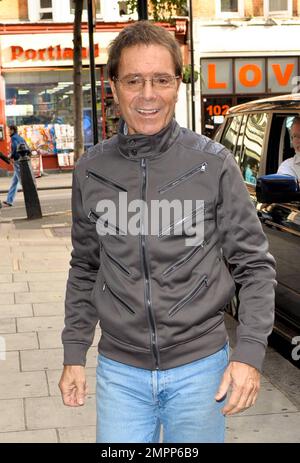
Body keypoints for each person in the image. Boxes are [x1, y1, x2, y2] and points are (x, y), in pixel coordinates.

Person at [59, 21, 276, 443]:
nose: (147, 94)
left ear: (178, 84)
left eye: (161, 79)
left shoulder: (213, 163)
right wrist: (73, 353)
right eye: (134, 80)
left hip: (202, 371)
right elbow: (84, 267)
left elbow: (254, 266)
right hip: (120, 373)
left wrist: (249, 355)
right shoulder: (90, 170)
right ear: (114, 87)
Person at [2, 125, 27, 207]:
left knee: (22, 180)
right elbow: (26, 147)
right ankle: (9, 200)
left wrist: (11, 156)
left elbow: (15, 148)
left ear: (12, 130)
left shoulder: (13, 138)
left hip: (17, 161)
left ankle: (30, 196)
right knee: (14, 182)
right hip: (22, 160)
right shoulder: (20, 137)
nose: (8, 132)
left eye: (9, 130)